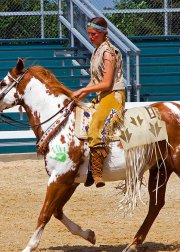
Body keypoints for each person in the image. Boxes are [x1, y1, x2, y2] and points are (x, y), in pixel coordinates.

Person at [72, 17, 125, 188]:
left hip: (113, 95)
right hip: (102, 95)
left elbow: (107, 83)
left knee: (95, 129)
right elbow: (95, 81)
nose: (90, 37)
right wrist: (80, 94)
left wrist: (83, 91)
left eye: (94, 34)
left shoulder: (108, 52)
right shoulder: (97, 51)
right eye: (89, 34)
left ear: (103, 33)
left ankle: (97, 173)